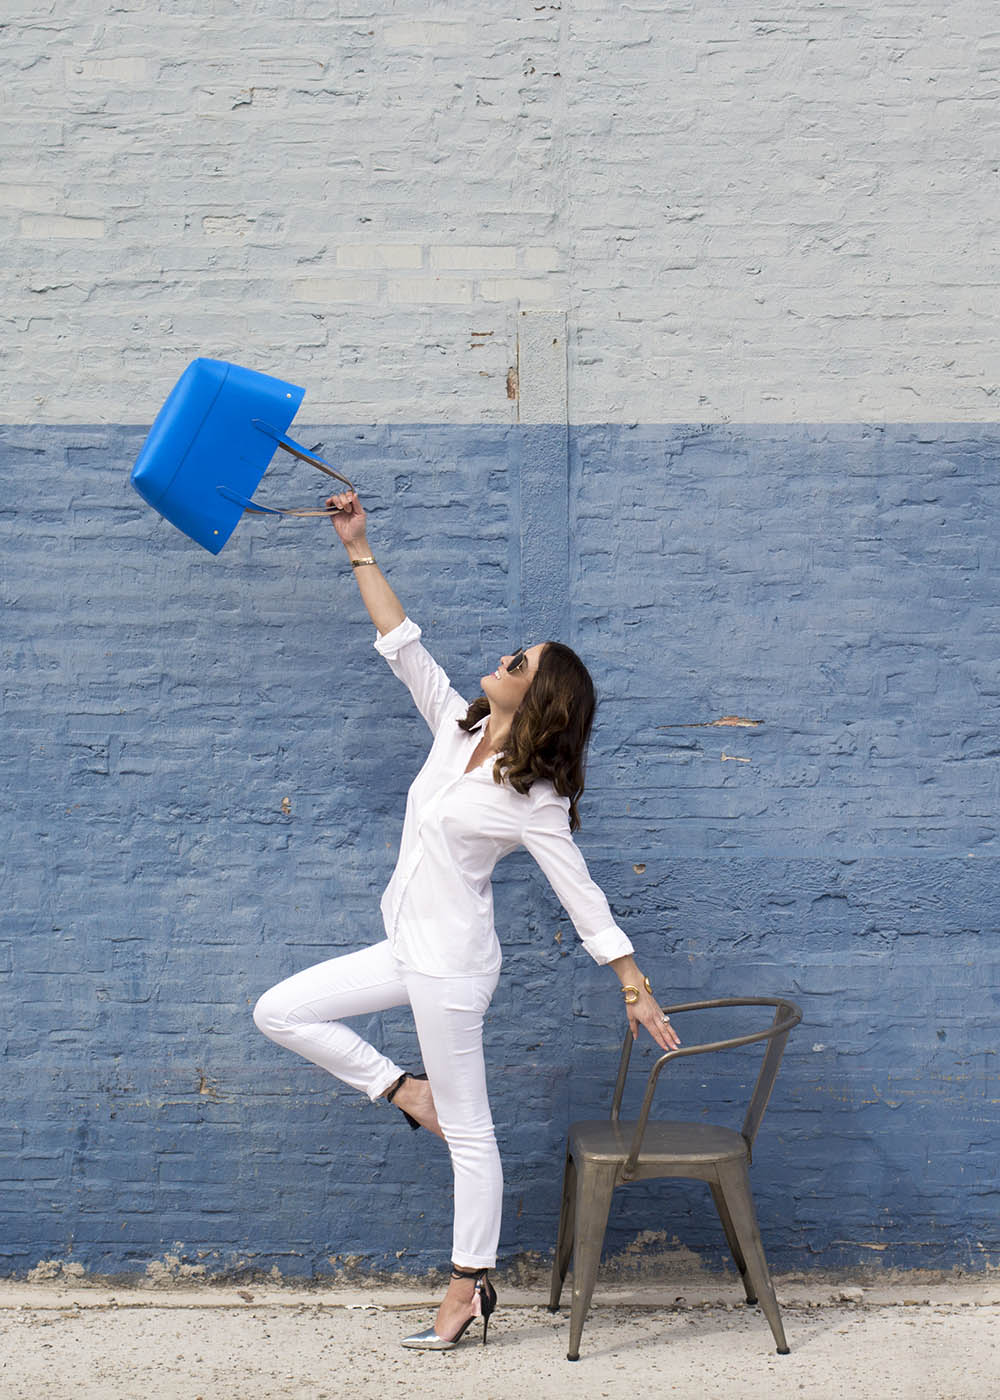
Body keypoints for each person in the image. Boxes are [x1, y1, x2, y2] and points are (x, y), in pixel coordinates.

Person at [253, 490, 681, 1350]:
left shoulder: (536, 798)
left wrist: (632, 985)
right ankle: (406, 1092)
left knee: (472, 1134)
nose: (501, 657)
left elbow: (582, 894)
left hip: (450, 969)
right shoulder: (459, 730)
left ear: (541, 693)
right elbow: (401, 645)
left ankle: (467, 1289)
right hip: (405, 949)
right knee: (280, 1010)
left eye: (517, 659)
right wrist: (357, 544)